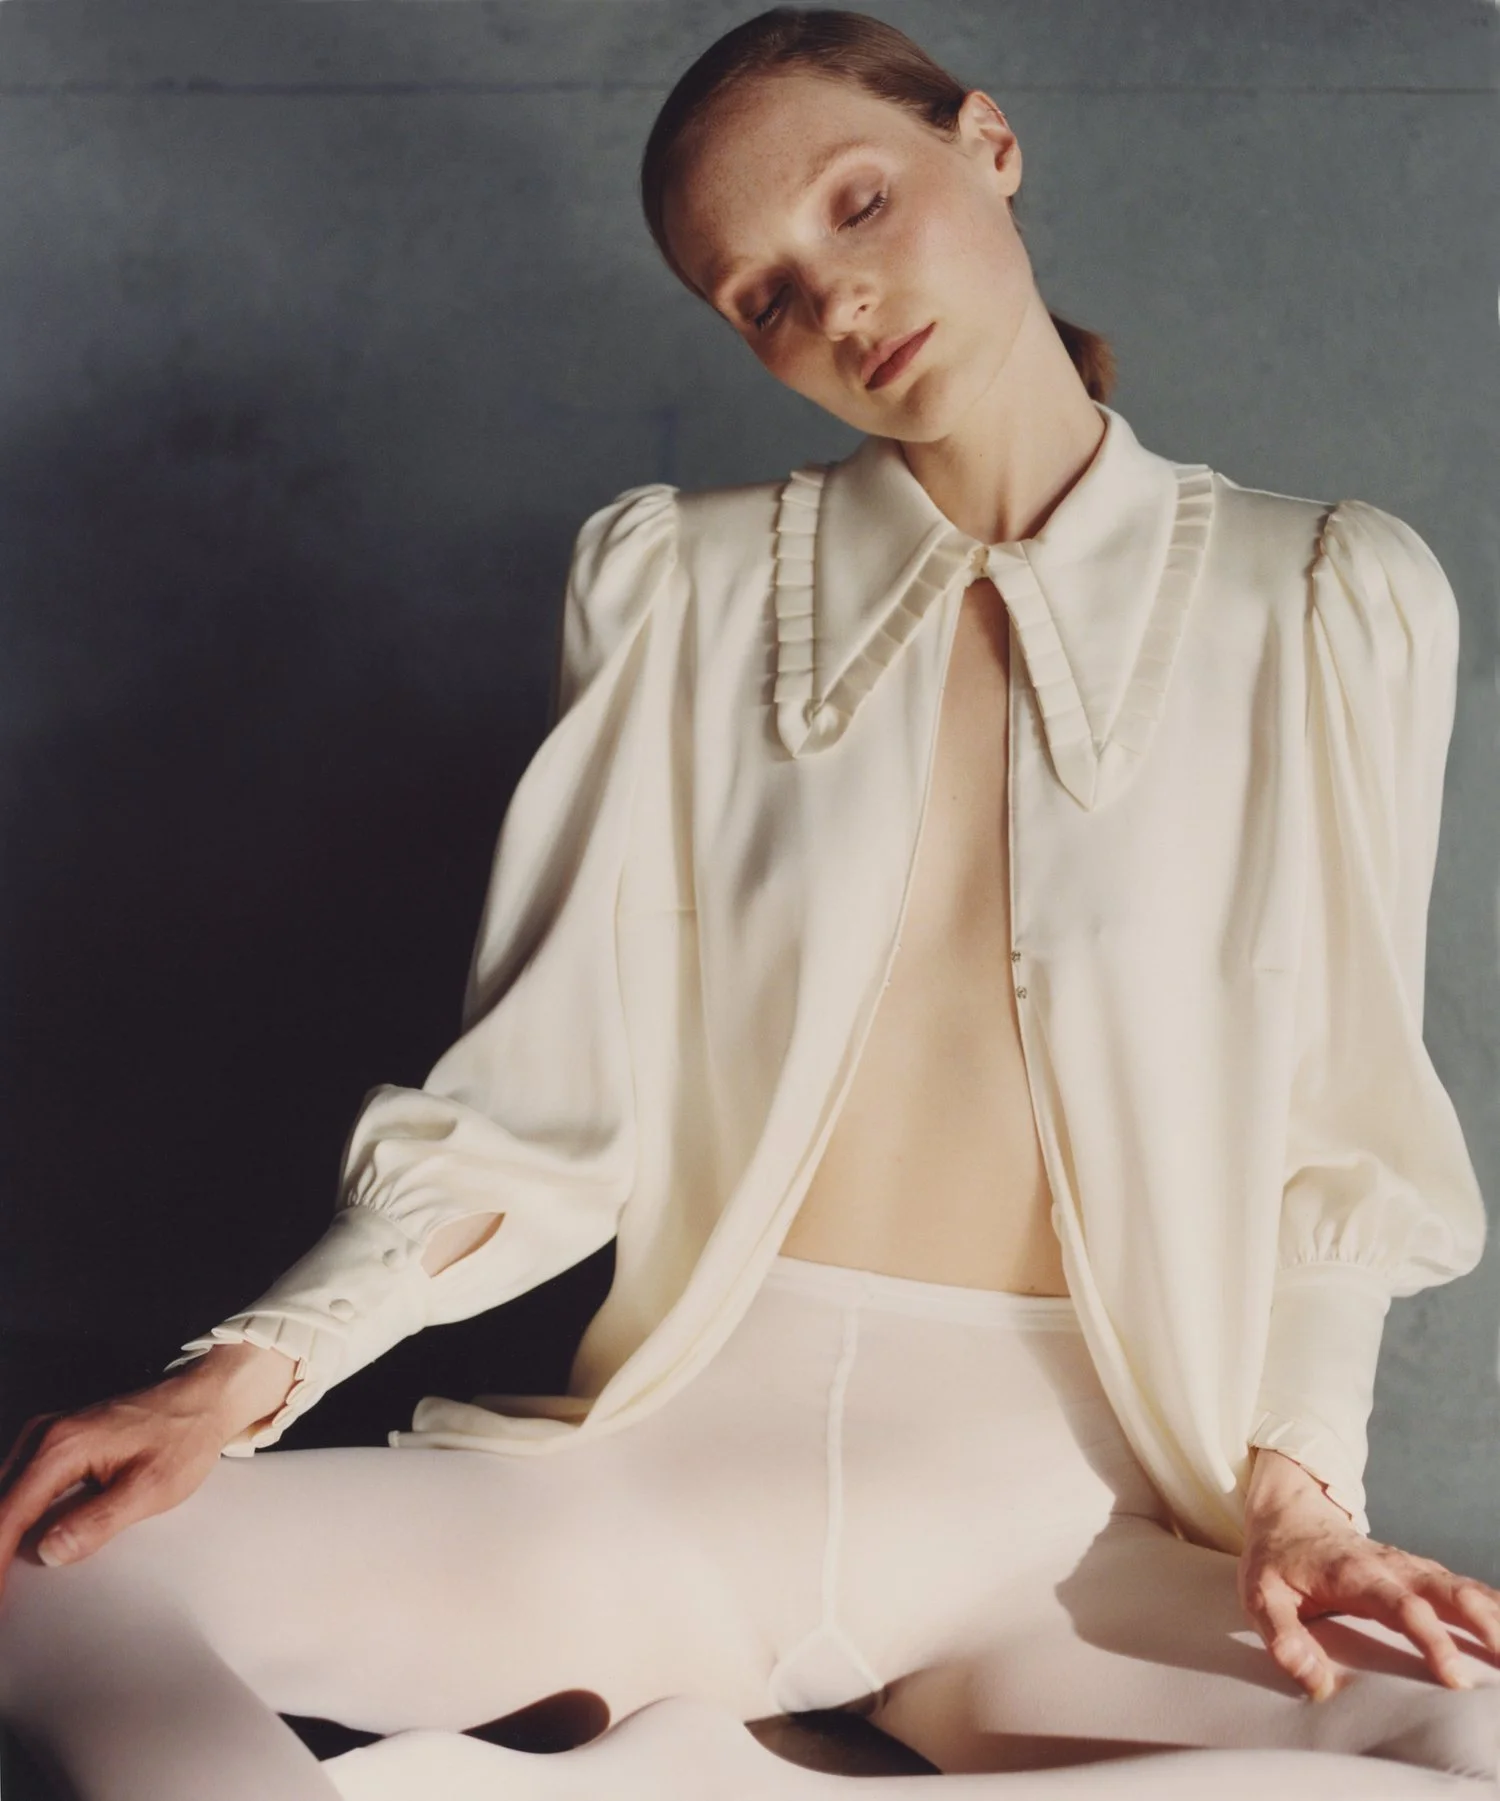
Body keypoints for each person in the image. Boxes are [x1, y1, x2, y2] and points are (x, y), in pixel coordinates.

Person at [0, 9, 1495, 1798]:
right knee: (51, 1571)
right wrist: (243, 1372)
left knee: (1468, 1737)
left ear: (988, 144)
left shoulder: (1323, 595)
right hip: (680, 1485)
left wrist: (1302, 1499)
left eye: (859, 205)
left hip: (1070, 1541)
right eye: (764, 296)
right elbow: (539, 1118)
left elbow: (1343, 1146)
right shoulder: (679, 587)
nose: (838, 302)